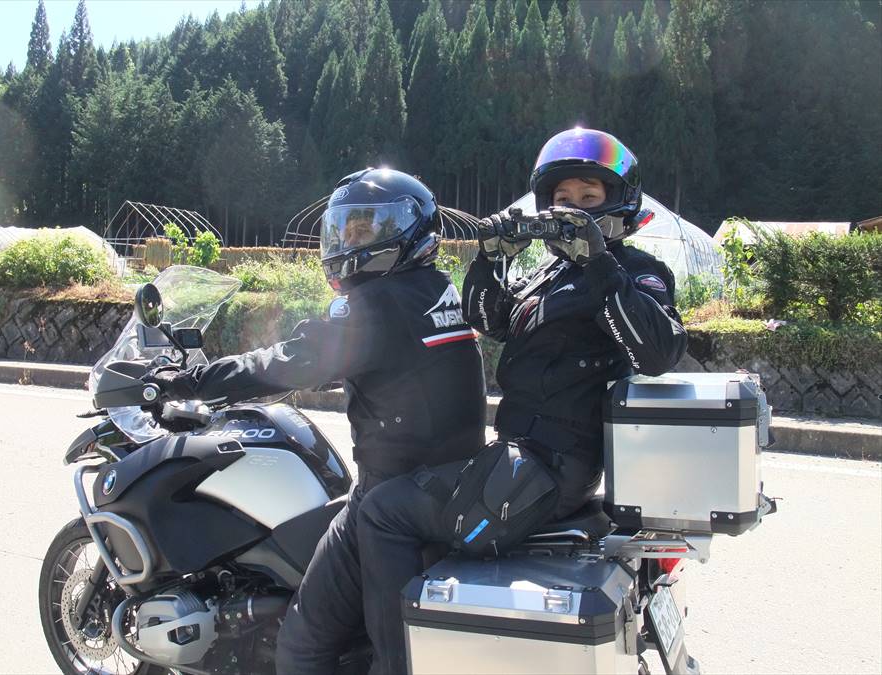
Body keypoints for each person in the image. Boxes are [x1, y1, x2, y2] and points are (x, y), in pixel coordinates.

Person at [354, 128, 689, 674]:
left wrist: (599, 262)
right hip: (523, 461)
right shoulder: (552, 274)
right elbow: (491, 319)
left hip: (549, 468)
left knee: (382, 511)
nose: (572, 208)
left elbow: (657, 351)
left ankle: (394, 667)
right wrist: (491, 258)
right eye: (562, 198)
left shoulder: (635, 271)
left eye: (589, 197)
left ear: (620, 202)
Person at [145, 168, 487, 674]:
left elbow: (284, 362)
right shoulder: (436, 291)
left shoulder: (379, 304)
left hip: (390, 491)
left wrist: (189, 382)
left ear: (406, 232)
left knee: (302, 646)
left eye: (365, 230)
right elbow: (397, 366)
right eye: (345, 229)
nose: (350, 242)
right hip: (448, 482)